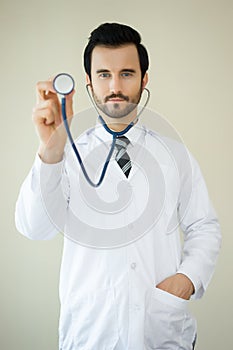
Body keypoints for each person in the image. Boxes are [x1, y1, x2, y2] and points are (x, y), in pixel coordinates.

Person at [15, 23, 221, 350]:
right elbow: (34, 228)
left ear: (144, 79)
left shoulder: (174, 155)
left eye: (126, 73)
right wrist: (52, 147)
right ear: (88, 81)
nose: (115, 86)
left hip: (161, 332)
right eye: (103, 74)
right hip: (90, 333)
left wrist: (187, 280)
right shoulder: (64, 153)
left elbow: (204, 226)